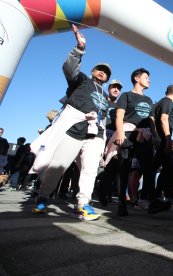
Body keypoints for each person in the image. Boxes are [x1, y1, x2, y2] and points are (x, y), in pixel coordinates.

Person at [31, 24, 110, 221]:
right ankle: (43, 197)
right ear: (92, 70)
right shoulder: (82, 80)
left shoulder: (106, 96)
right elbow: (69, 68)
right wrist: (79, 48)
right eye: (99, 69)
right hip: (74, 128)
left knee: (90, 169)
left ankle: (83, 204)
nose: (102, 72)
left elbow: (104, 117)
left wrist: (103, 137)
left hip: (95, 133)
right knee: (59, 164)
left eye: (105, 72)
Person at [110, 67, 170, 216]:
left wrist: (155, 135)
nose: (149, 80)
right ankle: (122, 203)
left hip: (145, 137)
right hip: (128, 134)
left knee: (149, 168)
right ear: (137, 78)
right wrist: (120, 133)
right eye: (146, 77)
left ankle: (153, 203)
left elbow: (151, 120)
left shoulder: (148, 100)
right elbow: (119, 116)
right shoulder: (126, 96)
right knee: (124, 168)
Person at [97, 79, 123, 206]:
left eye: (118, 88)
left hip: (113, 138)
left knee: (112, 167)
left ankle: (104, 192)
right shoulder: (102, 101)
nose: (116, 89)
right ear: (109, 88)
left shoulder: (120, 106)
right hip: (100, 134)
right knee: (94, 165)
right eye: (114, 87)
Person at [153, 85, 173, 200]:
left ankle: (155, 194)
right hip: (162, 141)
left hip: (159, 140)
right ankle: (156, 195)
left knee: (157, 168)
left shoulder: (160, 102)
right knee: (167, 169)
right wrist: (168, 139)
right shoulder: (168, 101)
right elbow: (164, 118)